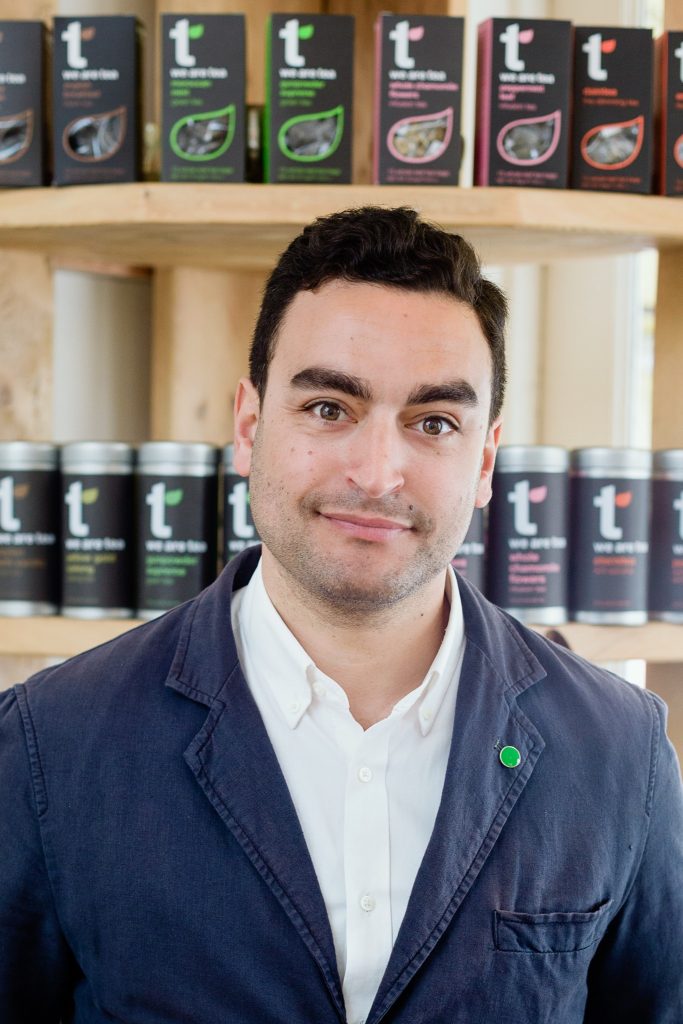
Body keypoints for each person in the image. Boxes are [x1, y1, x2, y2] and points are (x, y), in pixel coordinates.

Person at [1, 206, 682, 1024]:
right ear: (249, 426)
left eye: (434, 423)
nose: (376, 472)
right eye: (329, 408)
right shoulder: (48, 742)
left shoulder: (621, 751)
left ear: (484, 461)